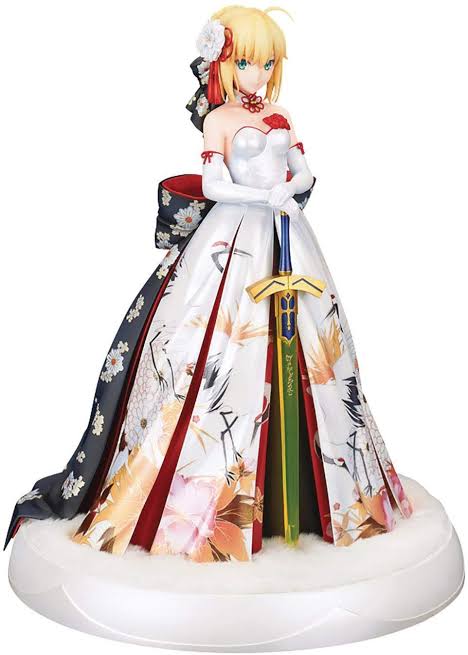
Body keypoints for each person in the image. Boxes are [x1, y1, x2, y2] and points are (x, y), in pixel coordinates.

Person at [5, 5, 412, 563]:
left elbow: (306, 170)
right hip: (234, 237)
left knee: (315, 346)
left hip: (288, 233)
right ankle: (205, 499)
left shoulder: (282, 114)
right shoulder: (219, 120)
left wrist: (291, 188)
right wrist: (263, 196)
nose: (257, 74)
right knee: (217, 345)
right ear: (223, 64)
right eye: (246, 62)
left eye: (266, 63)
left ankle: (331, 495)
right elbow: (216, 184)